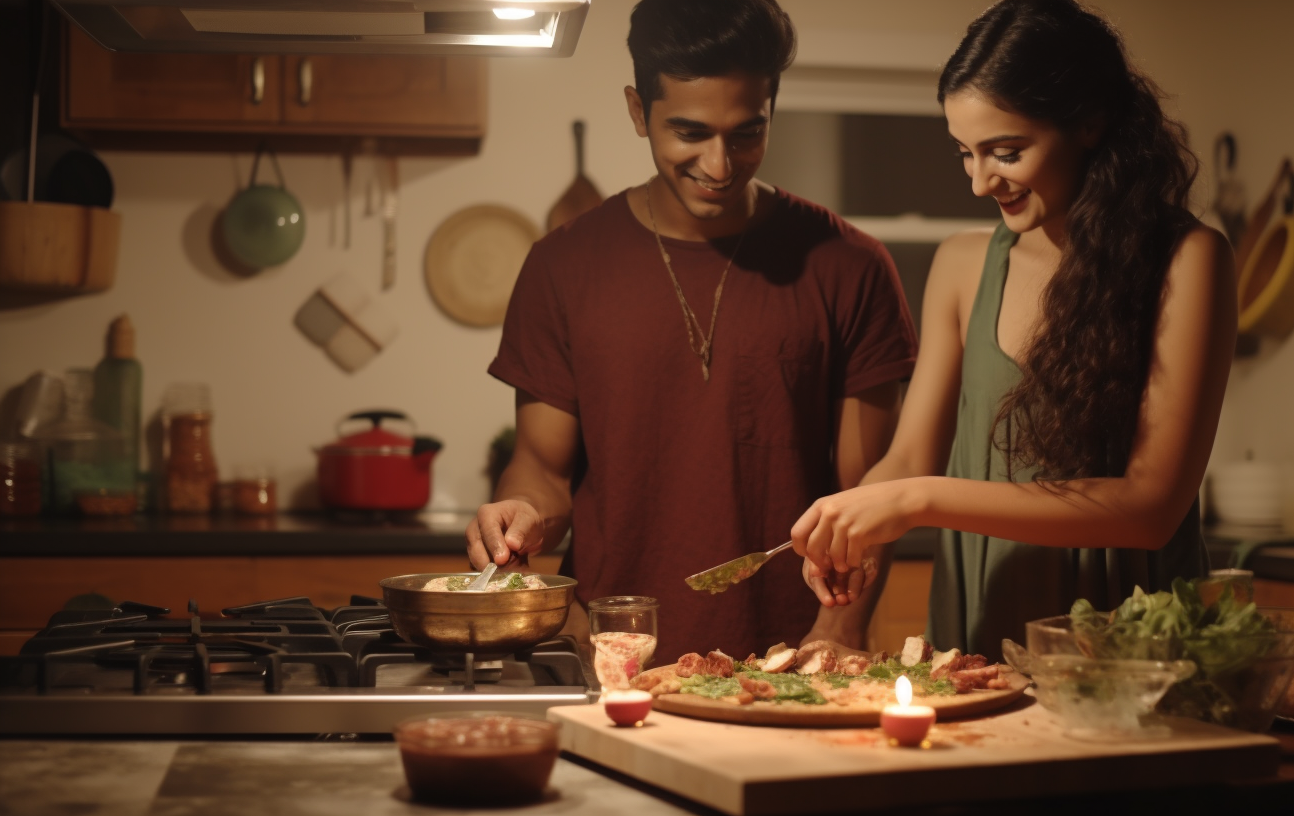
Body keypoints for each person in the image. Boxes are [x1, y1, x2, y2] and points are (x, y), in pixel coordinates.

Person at [467, 0, 918, 661]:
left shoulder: (847, 265)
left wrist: (839, 630)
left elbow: (866, 495)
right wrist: (521, 518)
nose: (719, 164)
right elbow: (541, 471)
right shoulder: (564, 265)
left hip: (794, 657)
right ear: (636, 110)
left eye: (745, 133)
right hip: (615, 654)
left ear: (771, 108)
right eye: (689, 133)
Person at [790, 0, 1238, 657]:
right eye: (965, 154)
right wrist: (848, 527)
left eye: (1005, 151)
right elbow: (910, 459)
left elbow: (1151, 508)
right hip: (982, 629)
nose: (978, 182)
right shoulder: (963, 265)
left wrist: (918, 500)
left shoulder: (1187, 259)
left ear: (1088, 122)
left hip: (1126, 647)